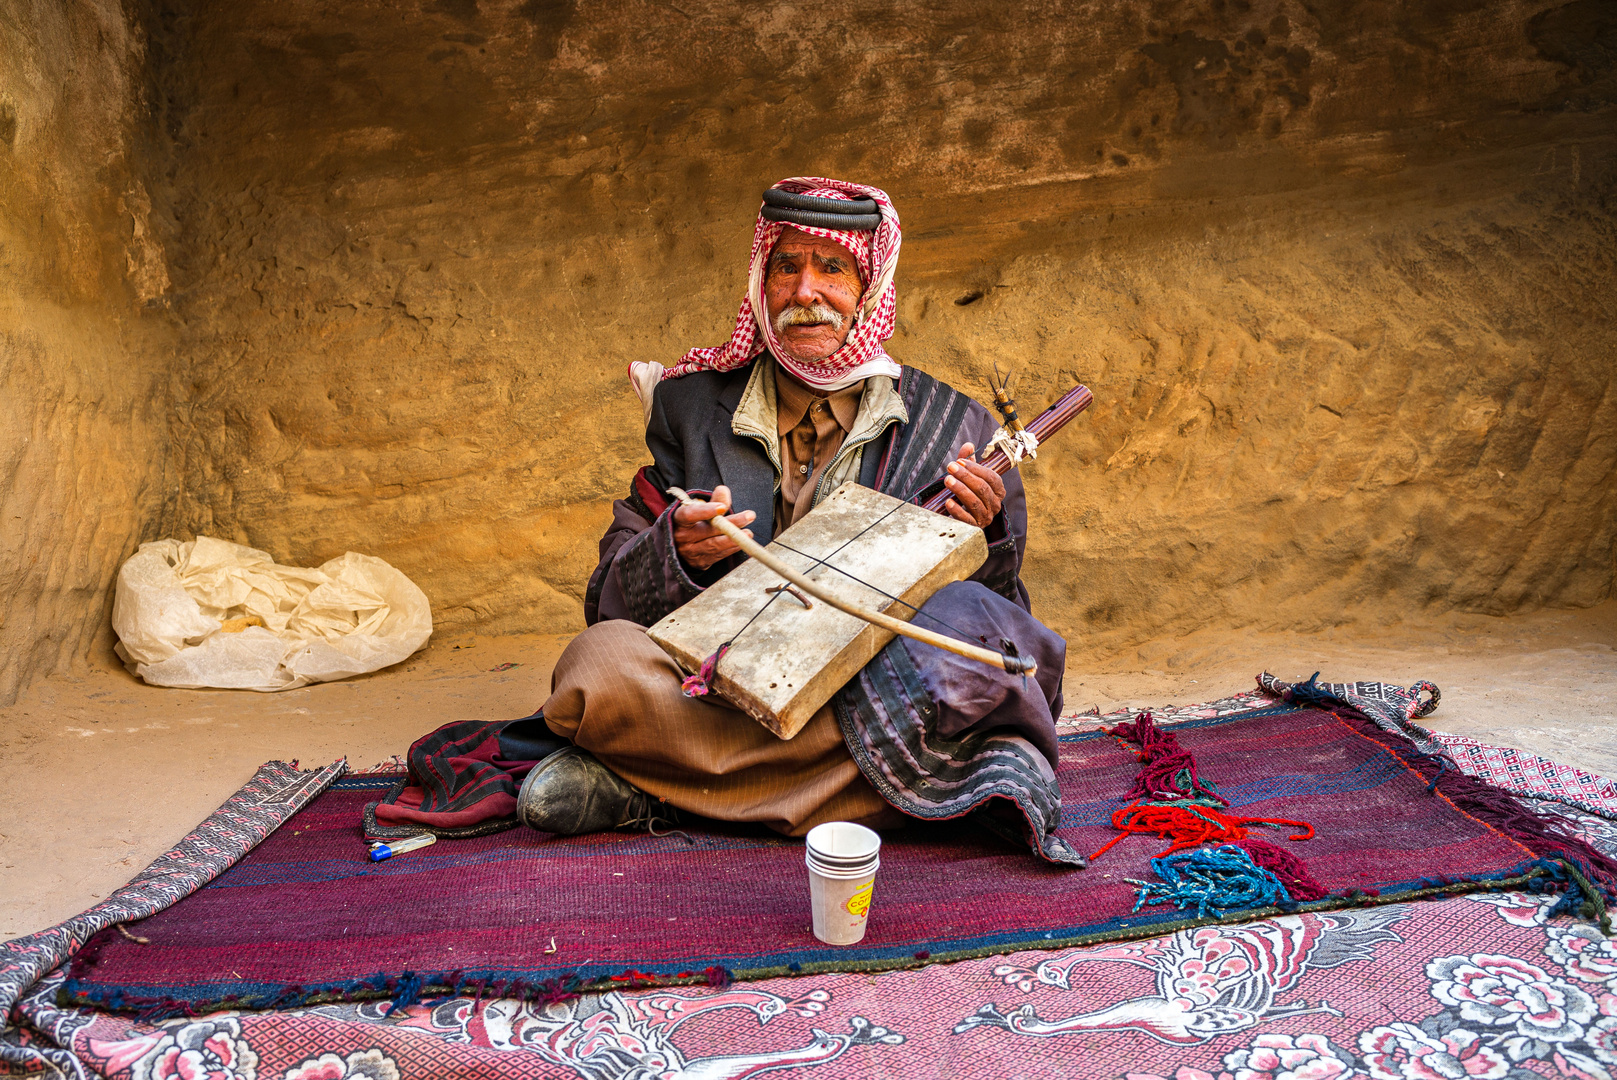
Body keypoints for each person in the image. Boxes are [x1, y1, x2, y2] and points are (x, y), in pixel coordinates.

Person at [372, 178, 1081, 865]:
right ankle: (864, 799)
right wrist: (677, 552)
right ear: (760, 283)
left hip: (874, 690)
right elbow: (607, 597)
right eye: (787, 268)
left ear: (869, 287)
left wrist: (982, 533)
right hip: (726, 690)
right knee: (598, 669)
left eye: (831, 268)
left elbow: (997, 607)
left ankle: (663, 793)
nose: (806, 292)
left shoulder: (952, 423)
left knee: (979, 653)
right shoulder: (692, 408)